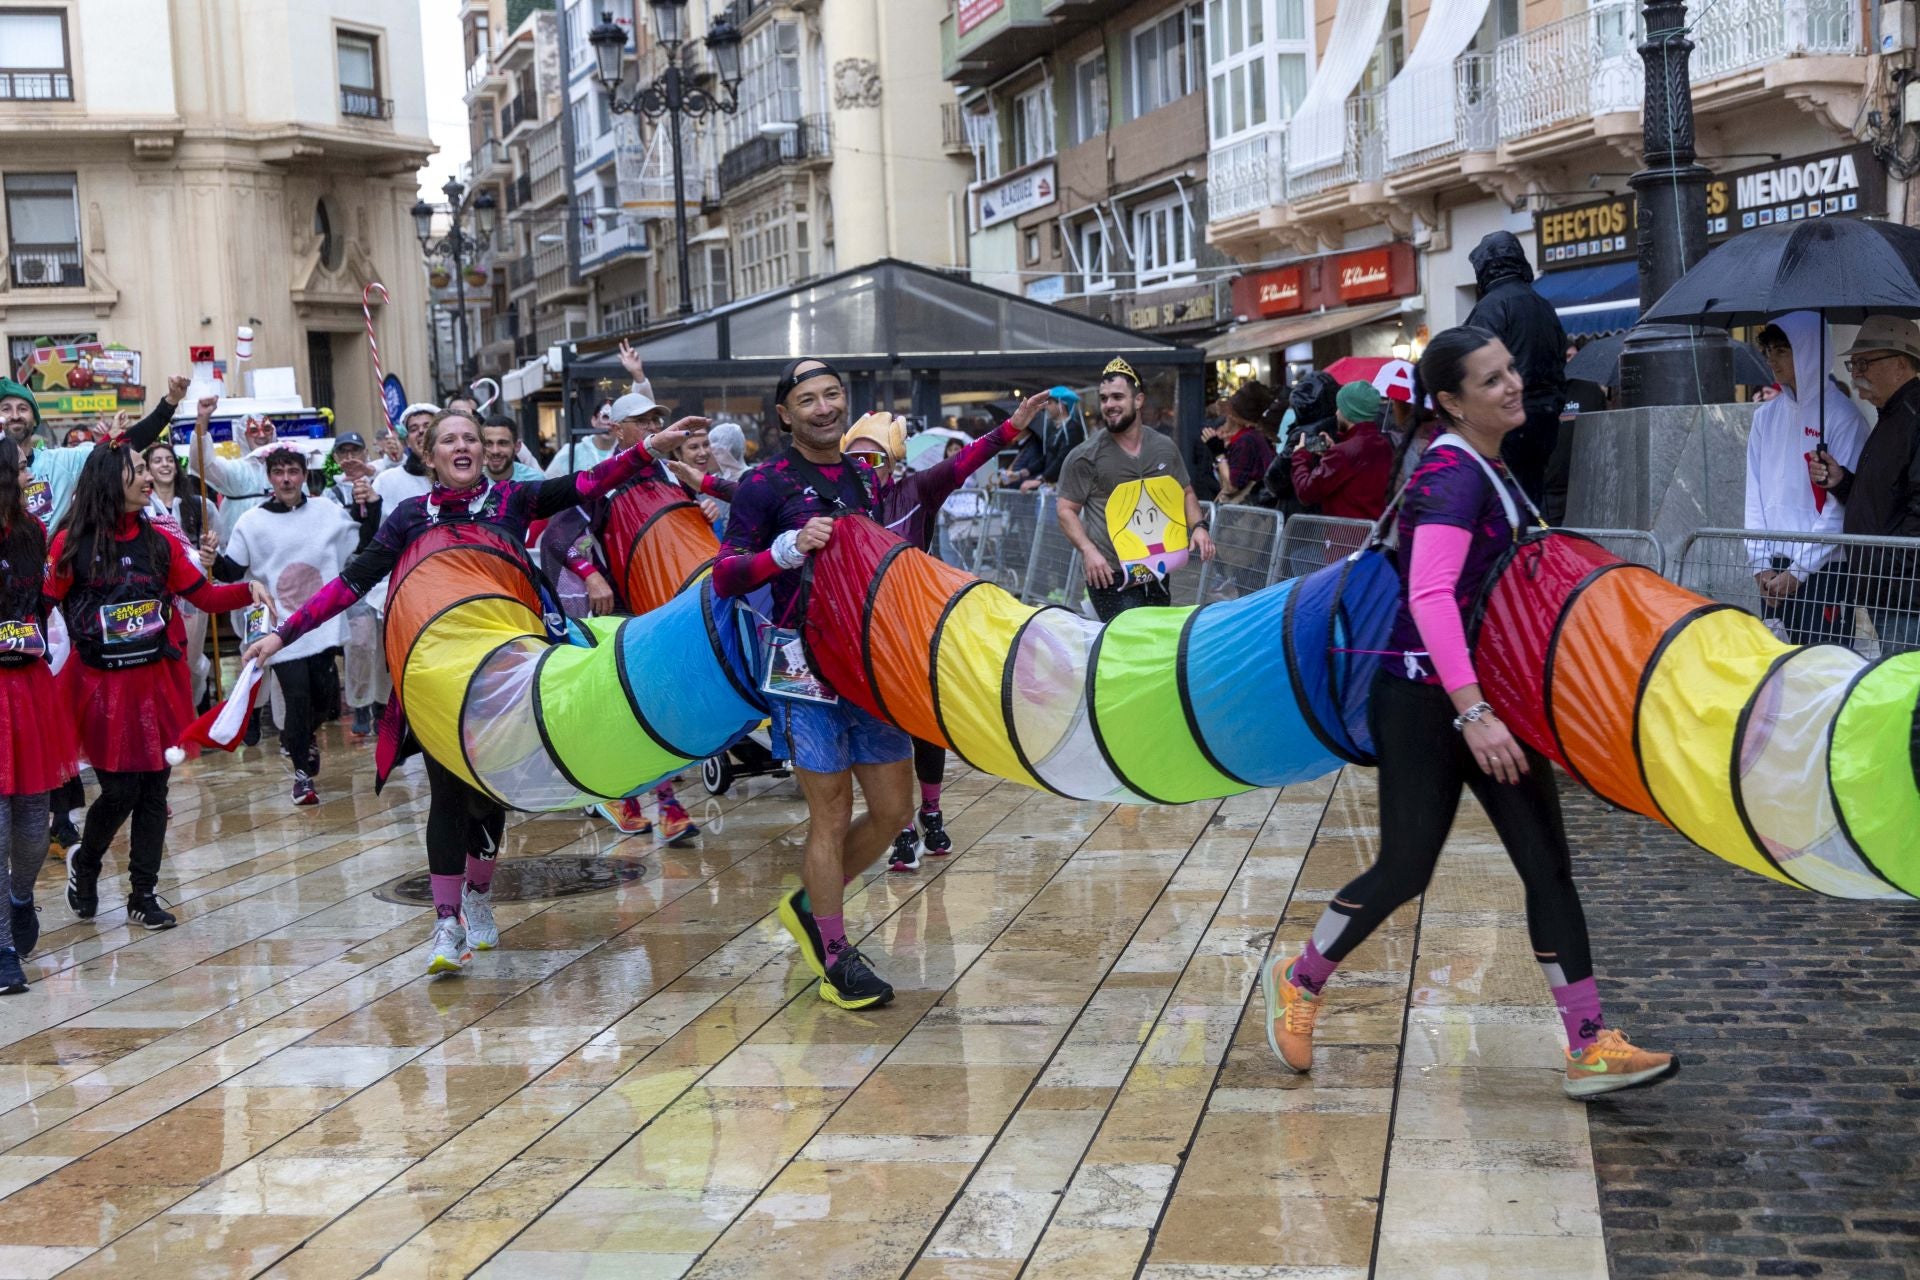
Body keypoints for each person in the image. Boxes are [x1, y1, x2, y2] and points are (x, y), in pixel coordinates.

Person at [1260, 325, 1675, 1100]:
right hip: (1425, 704)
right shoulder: (1452, 474)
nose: (1513, 384)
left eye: (1510, 369)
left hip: (1491, 700)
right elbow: (1427, 596)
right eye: (1490, 380)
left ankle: (1589, 1045)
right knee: (1406, 867)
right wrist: (1473, 714)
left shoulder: (1491, 466)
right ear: (1450, 401)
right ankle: (1300, 977)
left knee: (1548, 865)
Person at [243, 409, 660, 974]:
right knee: (445, 790)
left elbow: (586, 482)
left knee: (488, 793)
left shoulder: (513, 499)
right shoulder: (410, 515)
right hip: (436, 678)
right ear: (429, 454)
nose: (462, 446)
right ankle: (445, 923)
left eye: (470, 437)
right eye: (449, 439)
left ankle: (479, 899)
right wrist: (280, 635)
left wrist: (646, 447)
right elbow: (351, 583)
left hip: (504, 671)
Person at [712, 357, 918, 1011]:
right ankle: (833, 953)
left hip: (867, 663)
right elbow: (725, 573)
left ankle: (808, 906)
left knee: (893, 813)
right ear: (785, 414)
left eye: (833, 395)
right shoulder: (762, 484)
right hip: (802, 670)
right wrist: (788, 548)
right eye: (809, 400)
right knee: (828, 816)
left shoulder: (863, 475)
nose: (825, 408)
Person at [49, 444, 267, 930]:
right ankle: (85, 864)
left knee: (154, 790)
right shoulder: (70, 543)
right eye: (138, 470)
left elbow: (204, 596)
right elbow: (40, 601)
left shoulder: (159, 542)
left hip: (155, 682)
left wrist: (248, 589)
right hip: (99, 689)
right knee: (121, 791)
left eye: (148, 468)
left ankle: (142, 893)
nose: (148, 477)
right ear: (110, 480)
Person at [839, 396, 1046, 872]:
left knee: (925, 725)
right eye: (854, 459)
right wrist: (705, 484)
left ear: (894, 463)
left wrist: (1010, 430)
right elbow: (766, 495)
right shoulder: (839, 502)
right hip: (865, 639)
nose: (863, 468)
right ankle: (903, 827)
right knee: (885, 732)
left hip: (914, 629)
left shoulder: (917, 490)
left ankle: (930, 811)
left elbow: (966, 461)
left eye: (873, 458)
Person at [548, 389, 708, 845]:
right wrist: (589, 574)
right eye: (642, 421)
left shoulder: (675, 473)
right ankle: (661, 805)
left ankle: (636, 798)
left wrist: (706, 509)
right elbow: (560, 534)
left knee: (655, 706)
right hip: (622, 609)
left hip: (667, 603)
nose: (653, 427)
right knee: (642, 704)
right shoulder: (604, 477)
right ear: (616, 430)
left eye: (656, 419)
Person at [215, 448, 379, 805]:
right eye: (279, 472)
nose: (286, 479)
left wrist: (374, 506)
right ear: (269, 478)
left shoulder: (325, 511)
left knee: (325, 702)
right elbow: (230, 571)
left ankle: (300, 741)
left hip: (322, 625)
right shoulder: (252, 522)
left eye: (293, 471)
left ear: (304, 475)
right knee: (298, 697)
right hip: (281, 630)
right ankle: (302, 776)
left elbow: (363, 540)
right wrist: (210, 559)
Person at [0, 436, 77, 990]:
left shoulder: (32, 534)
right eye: (22, 463)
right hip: (15, 685)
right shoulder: (31, 532)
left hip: (23, 687)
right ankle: (3, 945)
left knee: (30, 819)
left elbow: (42, 603)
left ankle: (20, 897)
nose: (29, 468)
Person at [1057, 358, 1215, 623]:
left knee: (1156, 641)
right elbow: (1065, 510)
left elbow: (1185, 492)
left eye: (1117, 397)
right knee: (1133, 646)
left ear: (1138, 400)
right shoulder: (1085, 456)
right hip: (1110, 573)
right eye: (1104, 398)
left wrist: (1198, 526)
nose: (1109, 405)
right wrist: (1088, 551)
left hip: (1157, 568)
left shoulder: (1164, 447)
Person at [1743, 314, 1867, 646]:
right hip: (1773, 570)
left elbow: (1839, 507)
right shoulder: (1764, 417)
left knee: (1824, 669)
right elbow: (1754, 493)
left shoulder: (1843, 418)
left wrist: (1799, 572)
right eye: (1769, 349)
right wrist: (1759, 562)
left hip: (1823, 570)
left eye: (1783, 350)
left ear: (1810, 350)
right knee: (1779, 672)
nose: (1772, 358)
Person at [1811, 315, 1920, 654]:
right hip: (1889, 590)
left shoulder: (1912, 417)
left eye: (1863, 363)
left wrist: (1889, 568)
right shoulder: (1892, 416)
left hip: (1904, 594)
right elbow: (1886, 497)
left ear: (1900, 364)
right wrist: (1843, 483)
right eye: (1852, 363)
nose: (1854, 374)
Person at [1464, 231, 1568, 506]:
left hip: (1505, 419)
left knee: (1502, 503)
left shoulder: (1489, 308)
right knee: (1532, 497)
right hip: (1544, 418)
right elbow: (1559, 363)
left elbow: (1475, 366)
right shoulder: (1543, 305)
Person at [318, 433, 389, 738]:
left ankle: (383, 704)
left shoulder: (382, 482)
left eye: (355, 450)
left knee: (385, 645)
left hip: (385, 573)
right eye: (343, 452)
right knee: (359, 643)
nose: (350, 457)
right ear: (336, 458)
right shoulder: (330, 495)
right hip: (354, 574)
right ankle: (360, 703)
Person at [143, 440, 219, 709]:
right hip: (155, 591)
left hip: (191, 591)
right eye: (157, 461)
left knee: (191, 654)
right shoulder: (141, 505)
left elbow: (214, 548)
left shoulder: (200, 506)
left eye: (169, 459)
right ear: (148, 469)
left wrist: (209, 553)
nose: (164, 465)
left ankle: (196, 700)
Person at [1290, 380, 1394, 521]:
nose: (1337, 413)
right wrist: (1331, 452)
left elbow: (1306, 492)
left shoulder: (1343, 453)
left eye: (1340, 408)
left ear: (1349, 413)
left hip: (1345, 537)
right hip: (1374, 533)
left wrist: (1300, 455)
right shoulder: (1383, 444)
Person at [1266, 372, 1338, 515]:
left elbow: (1274, 478)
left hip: (1300, 512)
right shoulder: (1338, 426)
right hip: (1326, 510)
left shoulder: (1303, 435)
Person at [1204, 382, 1277, 505]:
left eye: (1228, 414)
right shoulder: (1249, 437)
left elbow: (1232, 486)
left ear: (1234, 416)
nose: (1225, 417)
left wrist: (1219, 455)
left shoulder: (1246, 441)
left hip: (1249, 516)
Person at [479, 415, 543, 485]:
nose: (495, 451)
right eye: (488, 444)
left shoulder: (535, 481)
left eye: (503, 443)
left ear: (517, 446)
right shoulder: (471, 481)